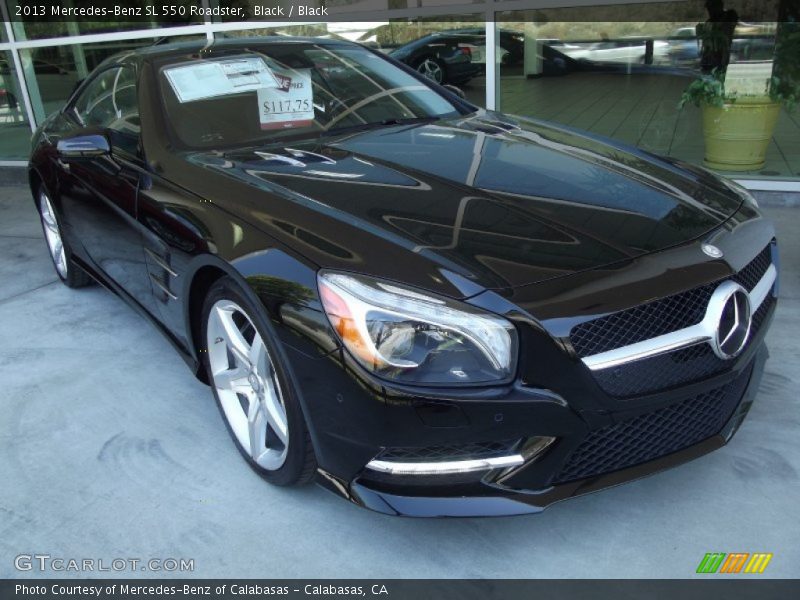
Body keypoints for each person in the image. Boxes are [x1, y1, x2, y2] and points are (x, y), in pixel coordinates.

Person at [697, 0, 738, 73]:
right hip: (709, 57)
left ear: (719, 7)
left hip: (720, 56)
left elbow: (725, 28)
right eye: (709, 9)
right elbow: (704, 40)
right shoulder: (709, 22)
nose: (709, 11)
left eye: (711, 8)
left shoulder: (729, 16)